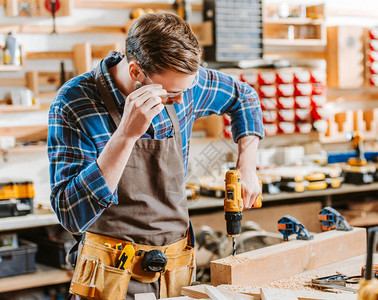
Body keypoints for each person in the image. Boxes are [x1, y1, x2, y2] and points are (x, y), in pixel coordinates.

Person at [47, 12, 264, 299]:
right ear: (136, 72)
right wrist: (125, 136)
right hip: (109, 278)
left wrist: (247, 166)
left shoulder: (185, 86)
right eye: (172, 94)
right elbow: (71, 215)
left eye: (187, 89)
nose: (182, 100)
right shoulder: (74, 103)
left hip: (174, 275)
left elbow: (244, 98)